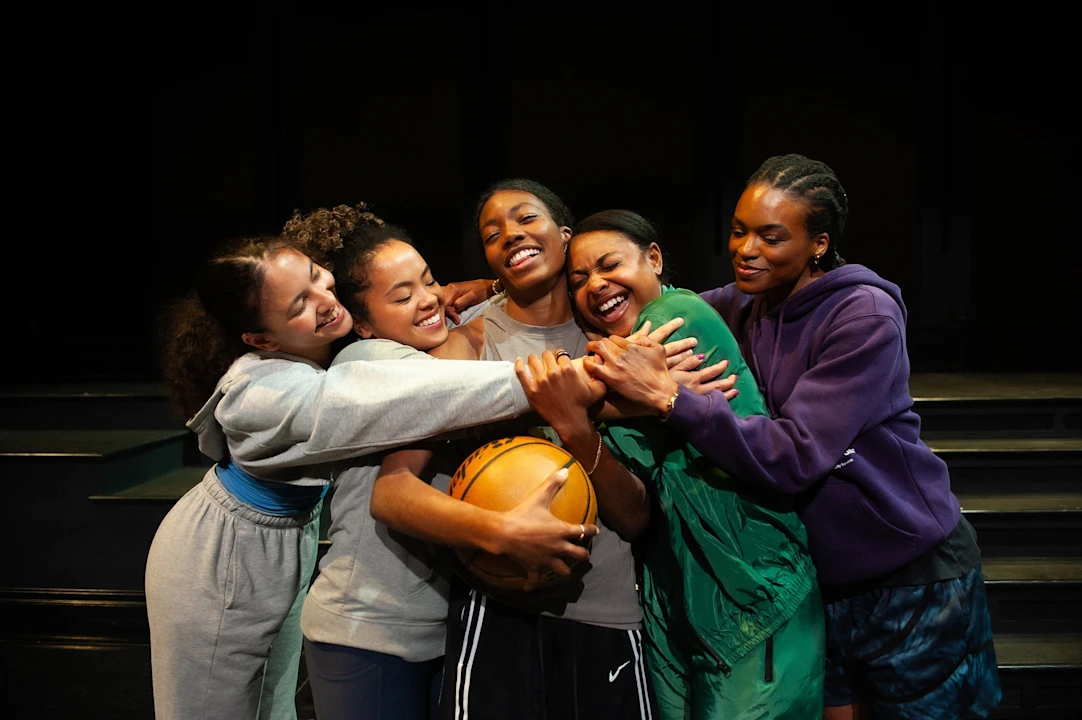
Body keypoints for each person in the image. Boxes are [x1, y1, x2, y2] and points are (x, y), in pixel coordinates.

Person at [583, 154, 1003, 719]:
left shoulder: (864, 314)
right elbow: (651, 302)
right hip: (820, 581)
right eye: (738, 231)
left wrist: (671, 399)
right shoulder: (742, 304)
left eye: (770, 237)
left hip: (909, 576)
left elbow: (796, 455)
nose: (745, 249)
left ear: (818, 245)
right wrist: (497, 292)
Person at [145, 231, 593, 720]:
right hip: (221, 553)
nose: (324, 299)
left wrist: (491, 287)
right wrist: (566, 378)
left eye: (316, 277)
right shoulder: (261, 395)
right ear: (262, 339)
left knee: (274, 707)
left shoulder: (323, 340)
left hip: (287, 534)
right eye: (299, 303)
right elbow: (407, 396)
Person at [374, 179, 736, 720]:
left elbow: (636, 518)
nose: (510, 235)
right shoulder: (465, 345)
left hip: (609, 612)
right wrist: (500, 531)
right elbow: (391, 492)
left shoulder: (618, 341)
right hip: (496, 610)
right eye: (492, 234)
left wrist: (589, 423)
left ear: (565, 235)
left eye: (525, 218)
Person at [515, 208, 825, 719]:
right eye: (579, 280)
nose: (596, 285)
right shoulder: (613, 349)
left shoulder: (676, 316)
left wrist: (568, 406)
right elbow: (632, 505)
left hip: (751, 585)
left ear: (654, 259)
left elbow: (583, 390)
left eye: (609, 265)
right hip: (675, 593)